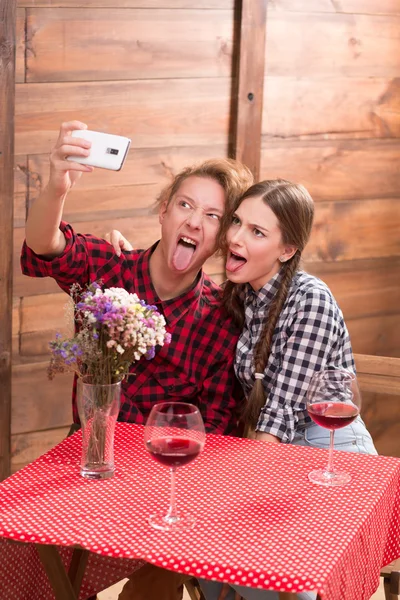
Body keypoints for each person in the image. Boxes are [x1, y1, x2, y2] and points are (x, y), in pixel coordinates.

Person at [111, 178, 378, 600]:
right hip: (274, 459)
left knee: (273, 577)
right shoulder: (243, 296)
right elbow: (168, 269)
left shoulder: (310, 300)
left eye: (257, 232)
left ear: (287, 250)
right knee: (208, 555)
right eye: (236, 222)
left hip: (329, 455)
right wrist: (126, 257)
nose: (234, 236)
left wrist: (223, 492)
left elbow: (274, 423)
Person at [20, 120, 254, 600]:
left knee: (168, 561)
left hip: (167, 475)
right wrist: (56, 185)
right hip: (89, 458)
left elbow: (212, 431)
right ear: (164, 213)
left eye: (212, 215)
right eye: (185, 205)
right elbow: (46, 248)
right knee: (22, 549)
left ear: (221, 239)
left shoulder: (221, 319)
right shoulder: (109, 269)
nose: (193, 221)